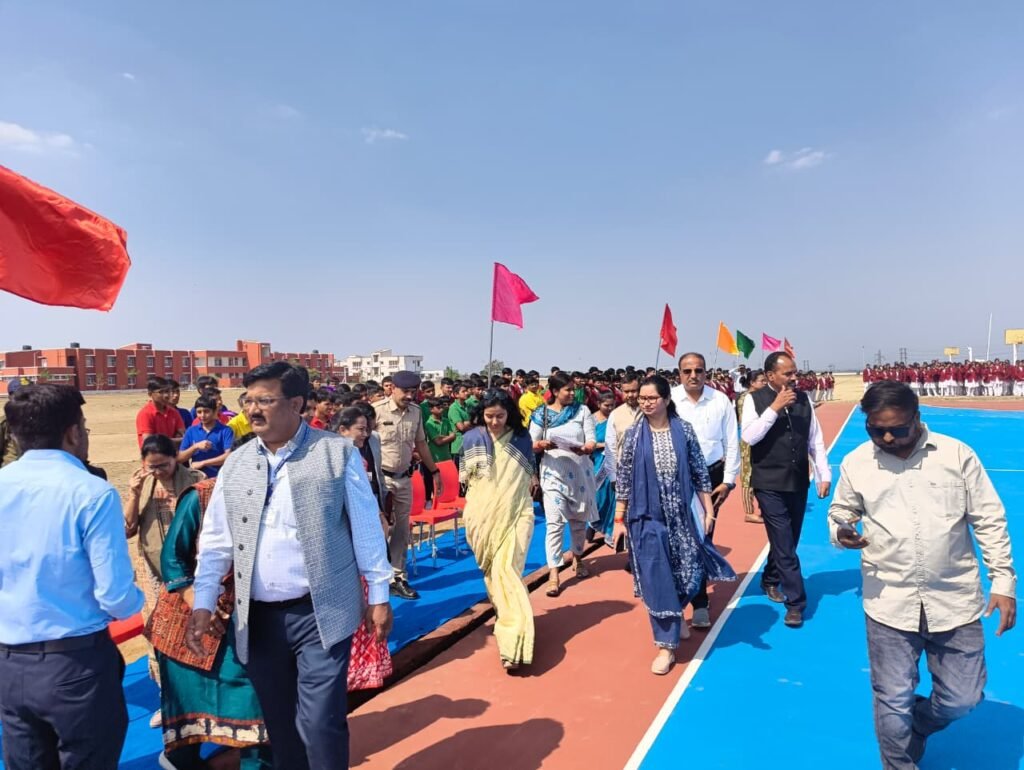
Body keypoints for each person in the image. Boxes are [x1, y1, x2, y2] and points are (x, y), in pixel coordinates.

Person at [185, 362, 394, 770]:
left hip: (321, 612)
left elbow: (367, 527)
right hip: (258, 619)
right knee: (280, 726)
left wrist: (380, 595)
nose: (252, 410)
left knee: (319, 722)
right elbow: (215, 542)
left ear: (296, 404)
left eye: (264, 400)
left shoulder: (336, 453)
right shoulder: (236, 463)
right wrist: (204, 601)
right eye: (248, 401)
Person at [828, 381, 1016, 770]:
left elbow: (989, 519)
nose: (887, 438)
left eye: (897, 429)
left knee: (963, 700)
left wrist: (1003, 582)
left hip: (954, 599)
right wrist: (841, 530)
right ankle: (898, 760)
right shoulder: (857, 463)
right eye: (876, 429)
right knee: (892, 701)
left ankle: (919, 723)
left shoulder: (956, 455)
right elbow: (841, 511)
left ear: (917, 418)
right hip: (888, 601)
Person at [0, 383, 144, 769]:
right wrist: (139, 600)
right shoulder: (91, 493)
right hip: (75, 664)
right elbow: (116, 597)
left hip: (10, 664)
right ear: (73, 433)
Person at [611, 375, 735, 674]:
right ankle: (665, 646)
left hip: (681, 515)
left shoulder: (684, 430)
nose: (645, 403)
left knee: (688, 572)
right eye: (642, 398)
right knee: (656, 578)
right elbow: (624, 478)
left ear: (667, 400)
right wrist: (619, 519)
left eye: (652, 398)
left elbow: (699, 472)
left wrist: (708, 510)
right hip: (646, 518)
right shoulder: (633, 435)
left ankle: (677, 614)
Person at [155, 474, 272, 770]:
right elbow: (172, 558)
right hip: (188, 624)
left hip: (246, 623)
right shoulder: (201, 496)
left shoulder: (277, 494)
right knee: (188, 718)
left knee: (256, 710)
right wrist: (200, 605)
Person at [741, 352, 831, 628]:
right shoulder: (754, 400)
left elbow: (815, 439)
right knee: (783, 542)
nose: (794, 377)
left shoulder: (804, 399)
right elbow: (749, 436)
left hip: (797, 479)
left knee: (788, 540)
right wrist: (774, 408)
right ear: (770, 376)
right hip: (769, 483)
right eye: (787, 373)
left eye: (795, 372)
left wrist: (823, 474)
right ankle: (796, 603)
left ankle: (770, 578)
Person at [461, 389, 539, 671]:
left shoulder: (521, 438)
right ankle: (506, 616)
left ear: (510, 414)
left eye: (500, 416)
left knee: (507, 572)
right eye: (489, 416)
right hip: (482, 518)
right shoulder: (472, 439)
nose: (494, 422)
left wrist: (532, 481)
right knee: (494, 575)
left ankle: (512, 642)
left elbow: (528, 472)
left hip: (517, 513)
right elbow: (467, 481)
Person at [124, 434, 206, 683]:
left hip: (191, 568)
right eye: (152, 466)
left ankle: (194, 685)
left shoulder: (197, 481)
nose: (158, 471)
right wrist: (134, 493)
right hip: (153, 568)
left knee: (193, 624)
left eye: (164, 465)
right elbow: (128, 529)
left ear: (175, 458)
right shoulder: (143, 485)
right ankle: (163, 685)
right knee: (157, 627)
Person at [670, 353, 741, 631]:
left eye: (698, 370)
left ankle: (699, 602)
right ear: (679, 373)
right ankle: (676, 597)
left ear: (705, 372)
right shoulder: (670, 399)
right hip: (675, 477)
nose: (693, 375)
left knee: (702, 537)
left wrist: (729, 480)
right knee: (676, 539)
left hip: (711, 478)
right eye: (687, 371)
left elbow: (732, 441)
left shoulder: (720, 400)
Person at [374, 370, 443, 600]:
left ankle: (398, 577)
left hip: (404, 479)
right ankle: (376, 578)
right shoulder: (376, 411)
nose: (410, 396)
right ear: (392, 388)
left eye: (413, 391)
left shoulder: (416, 412)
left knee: (402, 530)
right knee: (379, 530)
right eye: (405, 391)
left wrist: (434, 471)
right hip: (381, 480)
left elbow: (421, 444)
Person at [529, 371, 599, 598]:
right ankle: (554, 573)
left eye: (573, 389)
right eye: (567, 389)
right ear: (555, 391)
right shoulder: (541, 414)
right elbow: (531, 444)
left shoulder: (582, 411)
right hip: (553, 474)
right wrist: (541, 444)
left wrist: (587, 447)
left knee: (578, 522)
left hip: (580, 473)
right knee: (554, 524)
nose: (572, 393)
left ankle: (578, 558)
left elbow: (591, 438)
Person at [737, 369, 767, 523]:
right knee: (748, 476)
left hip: (762, 440)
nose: (765, 383)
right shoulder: (746, 398)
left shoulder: (761, 396)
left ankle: (765, 508)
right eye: (762, 381)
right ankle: (749, 511)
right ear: (752, 383)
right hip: (749, 442)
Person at [178, 394, 234, 478]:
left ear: (214, 412)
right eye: (199, 412)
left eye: (206, 411)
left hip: (219, 477)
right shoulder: (191, 431)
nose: (202, 415)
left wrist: (203, 463)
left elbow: (229, 456)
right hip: (197, 478)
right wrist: (195, 447)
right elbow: (180, 458)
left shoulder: (226, 431)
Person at [590, 389, 618, 542]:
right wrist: (604, 445)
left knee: (613, 496)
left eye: (612, 405)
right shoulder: (591, 420)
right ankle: (593, 523)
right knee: (599, 497)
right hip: (597, 463)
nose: (610, 408)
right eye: (606, 405)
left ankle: (610, 531)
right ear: (598, 404)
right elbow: (587, 442)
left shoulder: (616, 417)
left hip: (614, 462)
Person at [137, 375, 186, 448]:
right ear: (150, 394)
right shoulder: (145, 414)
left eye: (167, 391)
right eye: (161, 392)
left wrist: (161, 440)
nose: (166, 395)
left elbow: (185, 438)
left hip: (172, 454)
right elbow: (149, 443)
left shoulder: (173, 412)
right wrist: (174, 441)